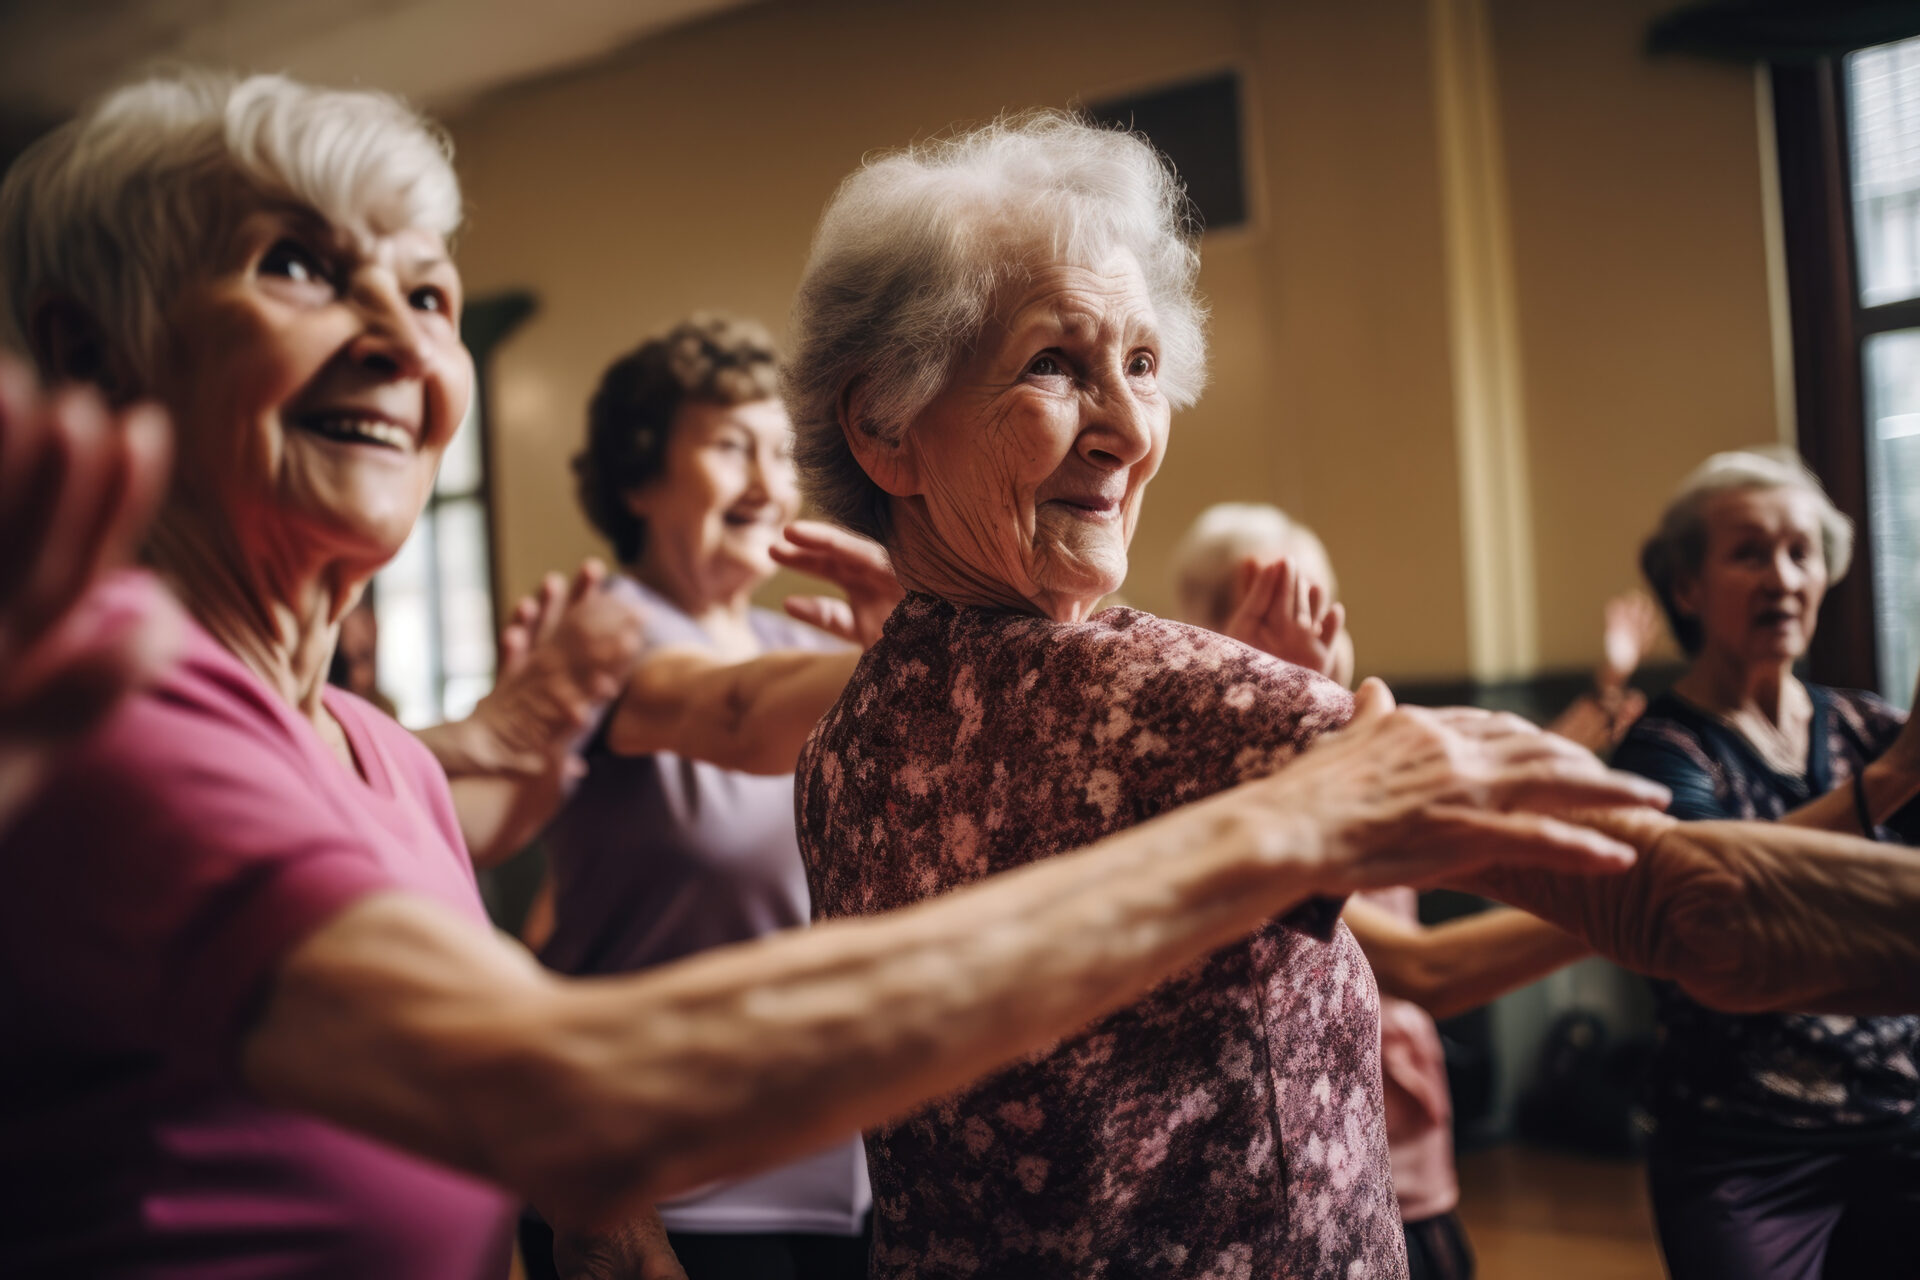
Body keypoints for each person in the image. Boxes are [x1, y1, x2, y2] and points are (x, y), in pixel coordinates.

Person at [1, 71, 1673, 1280]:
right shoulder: (115, 731)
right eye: (301, 267)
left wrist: (952, 648)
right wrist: (1293, 821)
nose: (401, 334)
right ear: (91, 351)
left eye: (431, 291)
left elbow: (563, 812)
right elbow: (566, 1090)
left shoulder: (369, 747)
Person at [521, 317, 881, 1280]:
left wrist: (902, 653)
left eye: (780, 451)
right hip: (666, 1191)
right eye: (730, 447)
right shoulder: (605, 630)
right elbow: (731, 718)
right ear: (638, 480)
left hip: (843, 1180)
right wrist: (920, 653)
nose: (769, 484)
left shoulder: (809, 643)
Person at [1170, 500, 1597, 1280]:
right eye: (1272, 608)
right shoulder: (1216, 786)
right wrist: (1621, 909)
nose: (1309, 641)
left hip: (1405, 1137)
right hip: (1308, 1166)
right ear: (1204, 631)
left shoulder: (1359, 742)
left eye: (1317, 602)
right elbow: (1426, 966)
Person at [1607, 447, 1920, 1280]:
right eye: (1749, 553)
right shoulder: (1661, 748)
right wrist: (1888, 786)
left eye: (1801, 551)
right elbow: (1721, 899)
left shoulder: (1866, 726)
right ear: (1687, 588)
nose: (1782, 576)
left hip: (1901, 1117)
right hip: (1742, 1150)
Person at [0, 352, 177, 832]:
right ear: (92, 358)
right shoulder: (141, 691)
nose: (407, 351)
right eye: (288, 271)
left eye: (411, 297)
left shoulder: (373, 734)